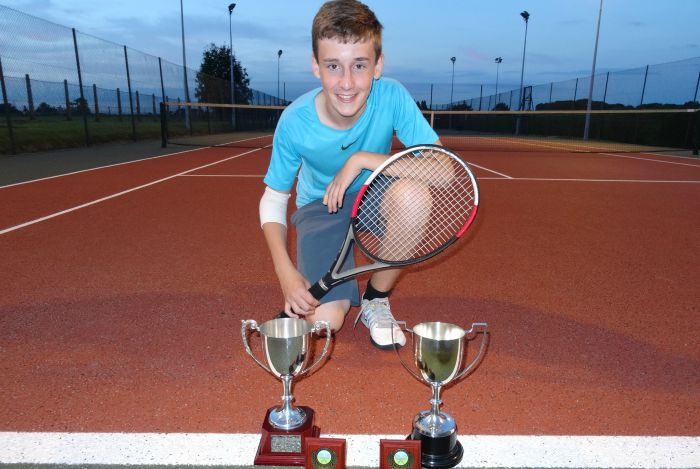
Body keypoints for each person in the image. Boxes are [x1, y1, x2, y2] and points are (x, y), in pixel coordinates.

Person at [259, 0, 440, 350]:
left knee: (415, 196)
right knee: (327, 321)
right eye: (333, 66)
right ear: (316, 66)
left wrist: (361, 159)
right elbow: (274, 199)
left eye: (359, 65)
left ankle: (375, 299)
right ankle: (337, 289)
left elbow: (443, 170)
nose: (346, 82)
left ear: (378, 65)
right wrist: (285, 274)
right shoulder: (295, 121)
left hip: (375, 194)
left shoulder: (391, 96)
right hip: (320, 205)